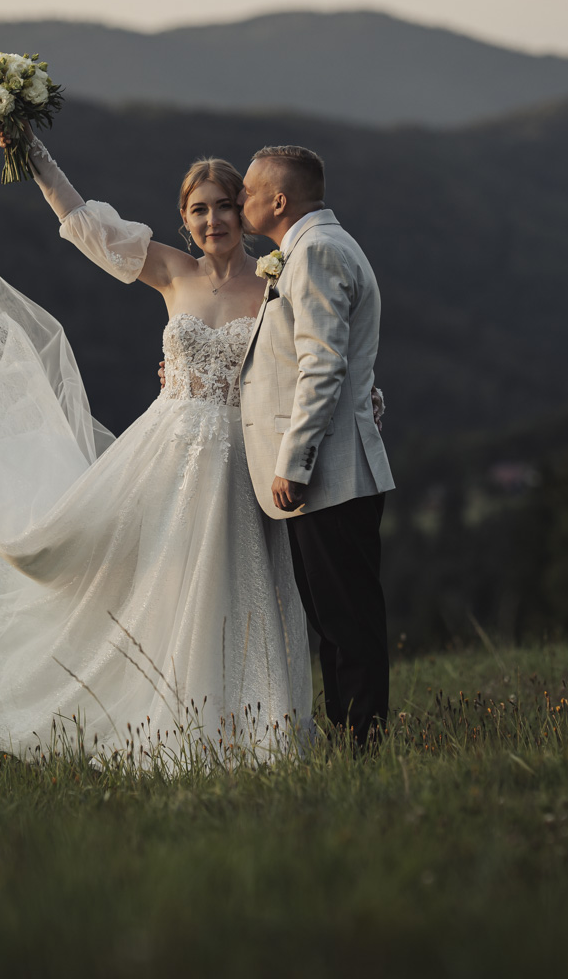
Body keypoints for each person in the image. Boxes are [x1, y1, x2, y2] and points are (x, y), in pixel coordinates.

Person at [0, 139, 312, 767]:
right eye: (198, 210)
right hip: (168, 453)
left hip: (240, 459)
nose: (213, 221)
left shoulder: (274, 284)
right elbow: (84, 226)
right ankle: (171, 721)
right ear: (183, 220)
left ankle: (251, 732)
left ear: (245, 212)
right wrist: (34, 153)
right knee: (158, 585)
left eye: (224, 207)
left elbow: (312, 355)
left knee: (239, 588)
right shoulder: (170, 272)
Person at [237, 145, 396, 748]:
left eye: (250, 192)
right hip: (332, 472)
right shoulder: (312, 248)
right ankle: (352, 736)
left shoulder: (317, 253)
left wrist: (294, 462)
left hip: (330, 474)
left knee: (347, 618)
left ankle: (364, 742)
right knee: (333, 617)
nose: (241, 200)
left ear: (279, 200)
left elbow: (323, 367)